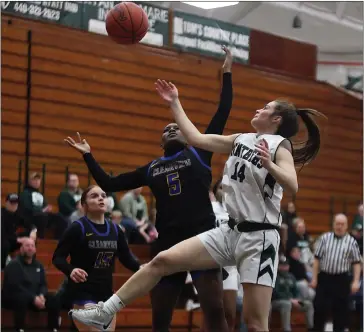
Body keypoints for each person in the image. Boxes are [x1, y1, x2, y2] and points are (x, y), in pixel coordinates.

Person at [69, 74, 325, 332]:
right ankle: (105, 312)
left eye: (266, 108)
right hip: (229, 231)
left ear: (276, 119)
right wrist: (174, 102)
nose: (260, 109)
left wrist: (270, 164)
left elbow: (292, 184)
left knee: (256, 323)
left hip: (259, 236)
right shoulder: (240, 139)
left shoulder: (279, 145)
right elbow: (196, 137)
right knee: (161, 261)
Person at [67, 47, 234, 332]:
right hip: (167, 243)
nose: (171, 128)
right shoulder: (151, 168)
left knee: (215, 312)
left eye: (175, 126)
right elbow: (109, 183)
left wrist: (227, 72)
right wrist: (87, 155)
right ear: (161, 143)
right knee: (160, 318)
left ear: (186, 134)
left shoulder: (200, 153)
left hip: (203, 239)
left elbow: (223, 109)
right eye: (166, 128)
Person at [52, 185, 141, 331]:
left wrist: (141, 268)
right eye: (94, 196)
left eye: (103, 195)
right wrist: (71, 269)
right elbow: (58, 258)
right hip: (83, 293)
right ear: (84, 205)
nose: (101, 198)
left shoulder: (115, 230)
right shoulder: (77, 228)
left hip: (106, 295)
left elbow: (126, 258)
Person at [311, 213, 362, 332]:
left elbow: (356, 263)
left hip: (341, 279)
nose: (339, 226)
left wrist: (355, 281)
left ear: (346, 226)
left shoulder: (351, 242)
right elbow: (316, 259)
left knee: (340, 312)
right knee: (319, 308)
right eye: (337, 224)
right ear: (333, 224)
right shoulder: (324, 238)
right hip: (324, 278)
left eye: (342, 224)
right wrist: (314, 278)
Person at [2, 238, 61, 332]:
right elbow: (16, 287)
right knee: (20, 298)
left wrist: (41, 295)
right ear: (21, 249)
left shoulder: (39, 265)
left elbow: (43, 284)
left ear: (35, 249)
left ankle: (54, 328)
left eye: (32, 246)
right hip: (14, 298)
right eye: (27, 246)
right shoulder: (14, 264)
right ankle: (20, 329)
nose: (30, 248)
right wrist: (33, 298)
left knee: (54, 298)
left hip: (35, 298)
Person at [210, 177, 240, 331]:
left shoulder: (237, 211)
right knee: (211, 315)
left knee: (230, 313)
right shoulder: (210, 207)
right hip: (211, 263)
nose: (224, 191)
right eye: (221, 187)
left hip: (230, 266)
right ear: (215, 192)